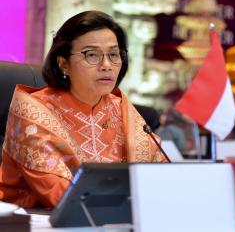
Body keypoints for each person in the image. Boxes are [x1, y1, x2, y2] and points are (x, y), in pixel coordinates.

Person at [0, 11, 168, 209]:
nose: (106, 65)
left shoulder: (119, 107)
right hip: (33, 222)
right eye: (92, 55)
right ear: (63, 64)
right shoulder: (34, 110)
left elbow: (160, 179)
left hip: (111, 219)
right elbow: (64, 197)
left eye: (113, 54)